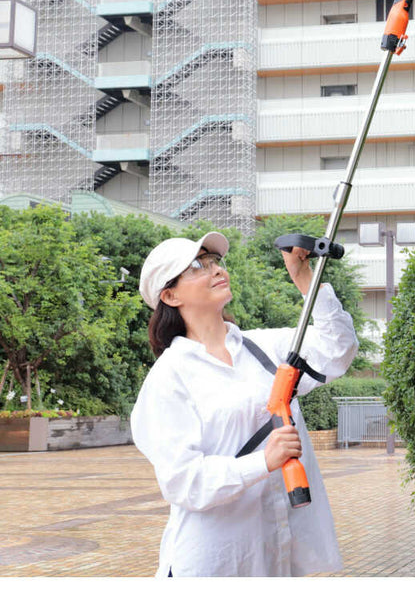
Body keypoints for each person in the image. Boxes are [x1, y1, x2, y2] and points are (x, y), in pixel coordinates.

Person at [130, 231, 359, 577]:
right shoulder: (169, 377)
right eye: (197, 266)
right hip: (214, 563)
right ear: (170, 295)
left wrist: (305, 279)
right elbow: (184, 481)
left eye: (215, 261)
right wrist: (263, 462)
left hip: (276, 555)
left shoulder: (264, 348)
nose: (215, 270)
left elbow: (338, 349)